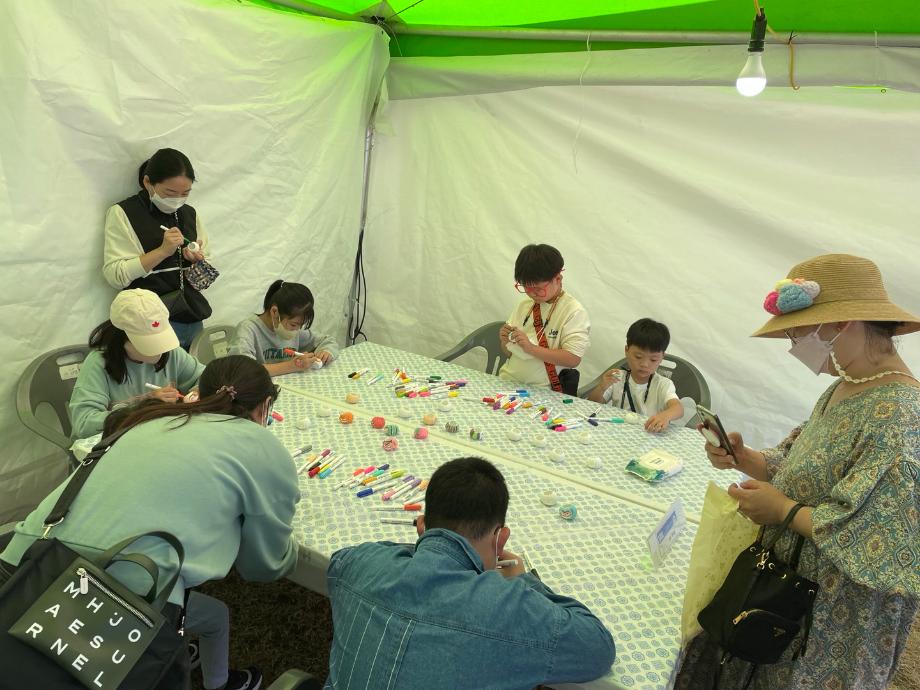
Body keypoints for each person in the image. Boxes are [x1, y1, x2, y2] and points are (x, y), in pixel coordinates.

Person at [676, 254, 920, 690]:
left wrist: (784, 511)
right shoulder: (846, 386)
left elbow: (880, 538)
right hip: (785, 582)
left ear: (842, 323)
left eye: (798, 332)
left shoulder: (901, 416)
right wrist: (745, 457)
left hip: (834, 612)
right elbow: (798, 463)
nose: (793, 345)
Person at [3, 354, 301, 690]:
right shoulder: (264, 447)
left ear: (199, 393)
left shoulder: (151, 418)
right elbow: (263, 566)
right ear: (265, 407)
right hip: (118, 596)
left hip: (25, 565)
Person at [324, 456, 616, 690]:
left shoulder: (359, 564)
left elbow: (339, 561)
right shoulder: (510, 607)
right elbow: (597, 649)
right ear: (500, 540)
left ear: (421, 526)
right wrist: (523, 581)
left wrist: (428, 551)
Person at [103, 148, 212, 350]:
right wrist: (162, 252)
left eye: (185, 193)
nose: (178, 199)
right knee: (159, 370)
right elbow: (115, 276)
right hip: (148, 322)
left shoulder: (189, 213)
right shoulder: (124, 212)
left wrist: (196, 261)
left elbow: (205, 276)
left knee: (194, 369)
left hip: (191, 315)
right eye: (170, 193)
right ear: (148, 182)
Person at [69, 289, 204, 439]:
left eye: (160, 340)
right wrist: (145, 406)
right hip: (113, 444)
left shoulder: (171, 353)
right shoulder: (98, 363)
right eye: (149, 343)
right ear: (122, 338)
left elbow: (206, 378)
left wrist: (198, 392)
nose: (159, 351)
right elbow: (84, 424)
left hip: (156, 438)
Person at [498, 244, 590, 392]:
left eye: (538, 288)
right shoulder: (524, 305)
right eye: (526, 287)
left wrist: (531, 348)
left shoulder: (573, 311)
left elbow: (573, 359)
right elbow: (509, 353)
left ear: (558, 278)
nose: (532, 293)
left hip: (544, 392)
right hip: (507, 381)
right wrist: (505, 341)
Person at [587, 318, 685, 432]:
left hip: (650, 434)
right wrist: (601, 387)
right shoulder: (617, 378)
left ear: (662, 357)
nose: (644, 364)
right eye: (638, 357)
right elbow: (592, 404)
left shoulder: (663, 384)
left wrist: (665, 416)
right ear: (626, 350)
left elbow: (678, 408)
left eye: (653, 360)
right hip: (618, 432)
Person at [230, 280, 339, 376]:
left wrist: (326, 352)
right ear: (274, 312)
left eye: (300, 325)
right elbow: (243, 370)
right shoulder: (248, 329)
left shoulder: (295, 330)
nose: (297, 330)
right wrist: (293, 365)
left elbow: (328, 340)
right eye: (293, 325)